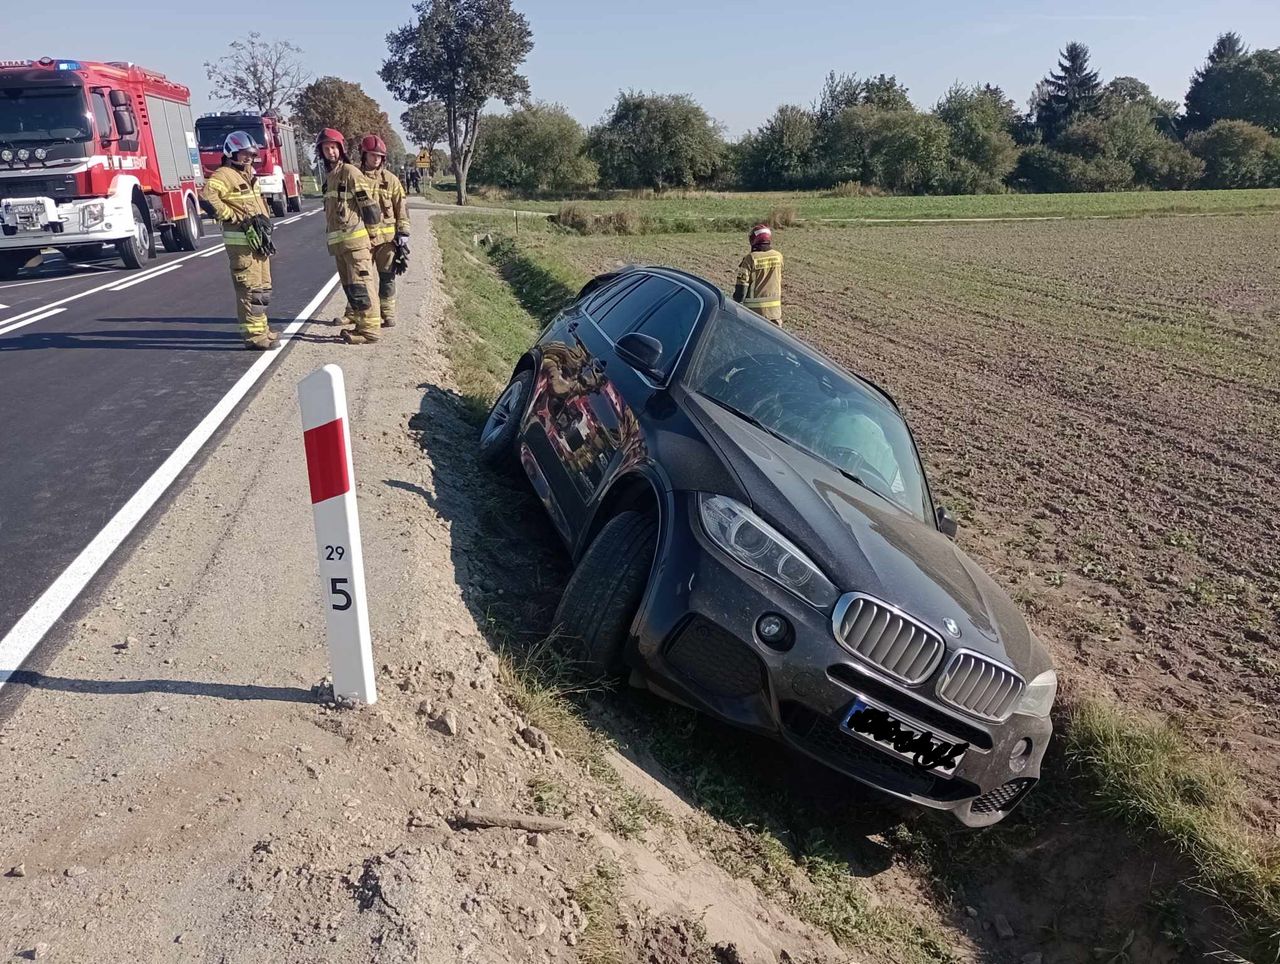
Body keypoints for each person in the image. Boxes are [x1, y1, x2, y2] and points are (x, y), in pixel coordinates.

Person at [201, 131, 279, 350]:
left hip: (257, 242)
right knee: (250, 290)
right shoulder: (224, 175)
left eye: (251, 155)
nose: (248, 158)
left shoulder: (248, 175)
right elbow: (207, 197)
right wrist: (230, 215)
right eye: (244, 154)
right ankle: (253, 336)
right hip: (242, 246)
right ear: (230, 152)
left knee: (263, 290)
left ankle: (262, 329)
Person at [316, 128, 382, 345]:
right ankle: (361, 326)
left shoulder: (351, 173)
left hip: (356, 244)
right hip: (340, 247)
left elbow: (370, 209)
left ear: (341, 149)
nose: (330, 152)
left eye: (334, 148)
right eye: (326, 148)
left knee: (362, 286)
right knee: (352, 289)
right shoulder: (329, 178)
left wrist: (372, 238)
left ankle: (370, 331)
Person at [351, 134, 410, 329]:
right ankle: (353, 313)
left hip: (387, 240)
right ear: (364, 155)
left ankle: (388, 314)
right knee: (360, 279)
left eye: (379, 156)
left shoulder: (391, 180)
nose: (375, 159)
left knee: (387, 277)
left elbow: (401, 207)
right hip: (362, 239)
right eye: (371, 155)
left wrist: (403, 233)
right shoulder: (354, 177)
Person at [733, 223, 784, 325]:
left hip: (754, 314)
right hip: (775, 313)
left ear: (754, 239)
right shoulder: (778, 257)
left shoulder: (750, 258)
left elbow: (741, 289)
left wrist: (735, 304)